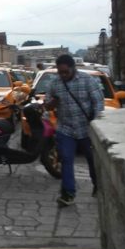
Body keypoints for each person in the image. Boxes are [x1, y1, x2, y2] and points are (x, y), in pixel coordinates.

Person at [45, 54, 104, 207]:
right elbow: (47, 104)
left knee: (92, 160)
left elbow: (98, 103)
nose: (63, 75)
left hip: (86, 129)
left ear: (73, 69)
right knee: (66, 160)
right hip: (66, 129)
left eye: (66, 72)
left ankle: (98, 185)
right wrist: (51, 103)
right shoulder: (55, 84)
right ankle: (68, 194)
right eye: (60, 72)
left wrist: (96, 123)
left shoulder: (88, 81)